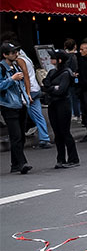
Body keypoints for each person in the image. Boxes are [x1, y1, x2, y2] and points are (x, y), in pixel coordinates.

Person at [41, 50, 79, 169]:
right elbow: (44, 85)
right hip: (53, 104)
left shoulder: (66, 73)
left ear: (59, 60)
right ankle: (60, 159)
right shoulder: (52, 71)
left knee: (65, 132)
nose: (50, 60)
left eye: (52, 58)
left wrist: (50, 88)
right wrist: (53, 88)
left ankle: (73, 158)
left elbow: (61, 90)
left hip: (63, 104)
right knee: (57, 133)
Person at [1, 43, 32, 174]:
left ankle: (15, 164)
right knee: (16, 136)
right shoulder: (1, 68)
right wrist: (11, 79)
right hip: (8, 105)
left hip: (20, 103)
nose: (16, 54)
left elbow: (20, 84)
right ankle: (22, 163)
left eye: (16, 52)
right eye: (13, 52)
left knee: (21, 136)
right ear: (5, 54)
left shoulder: (15, 65)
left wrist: (26, 95)